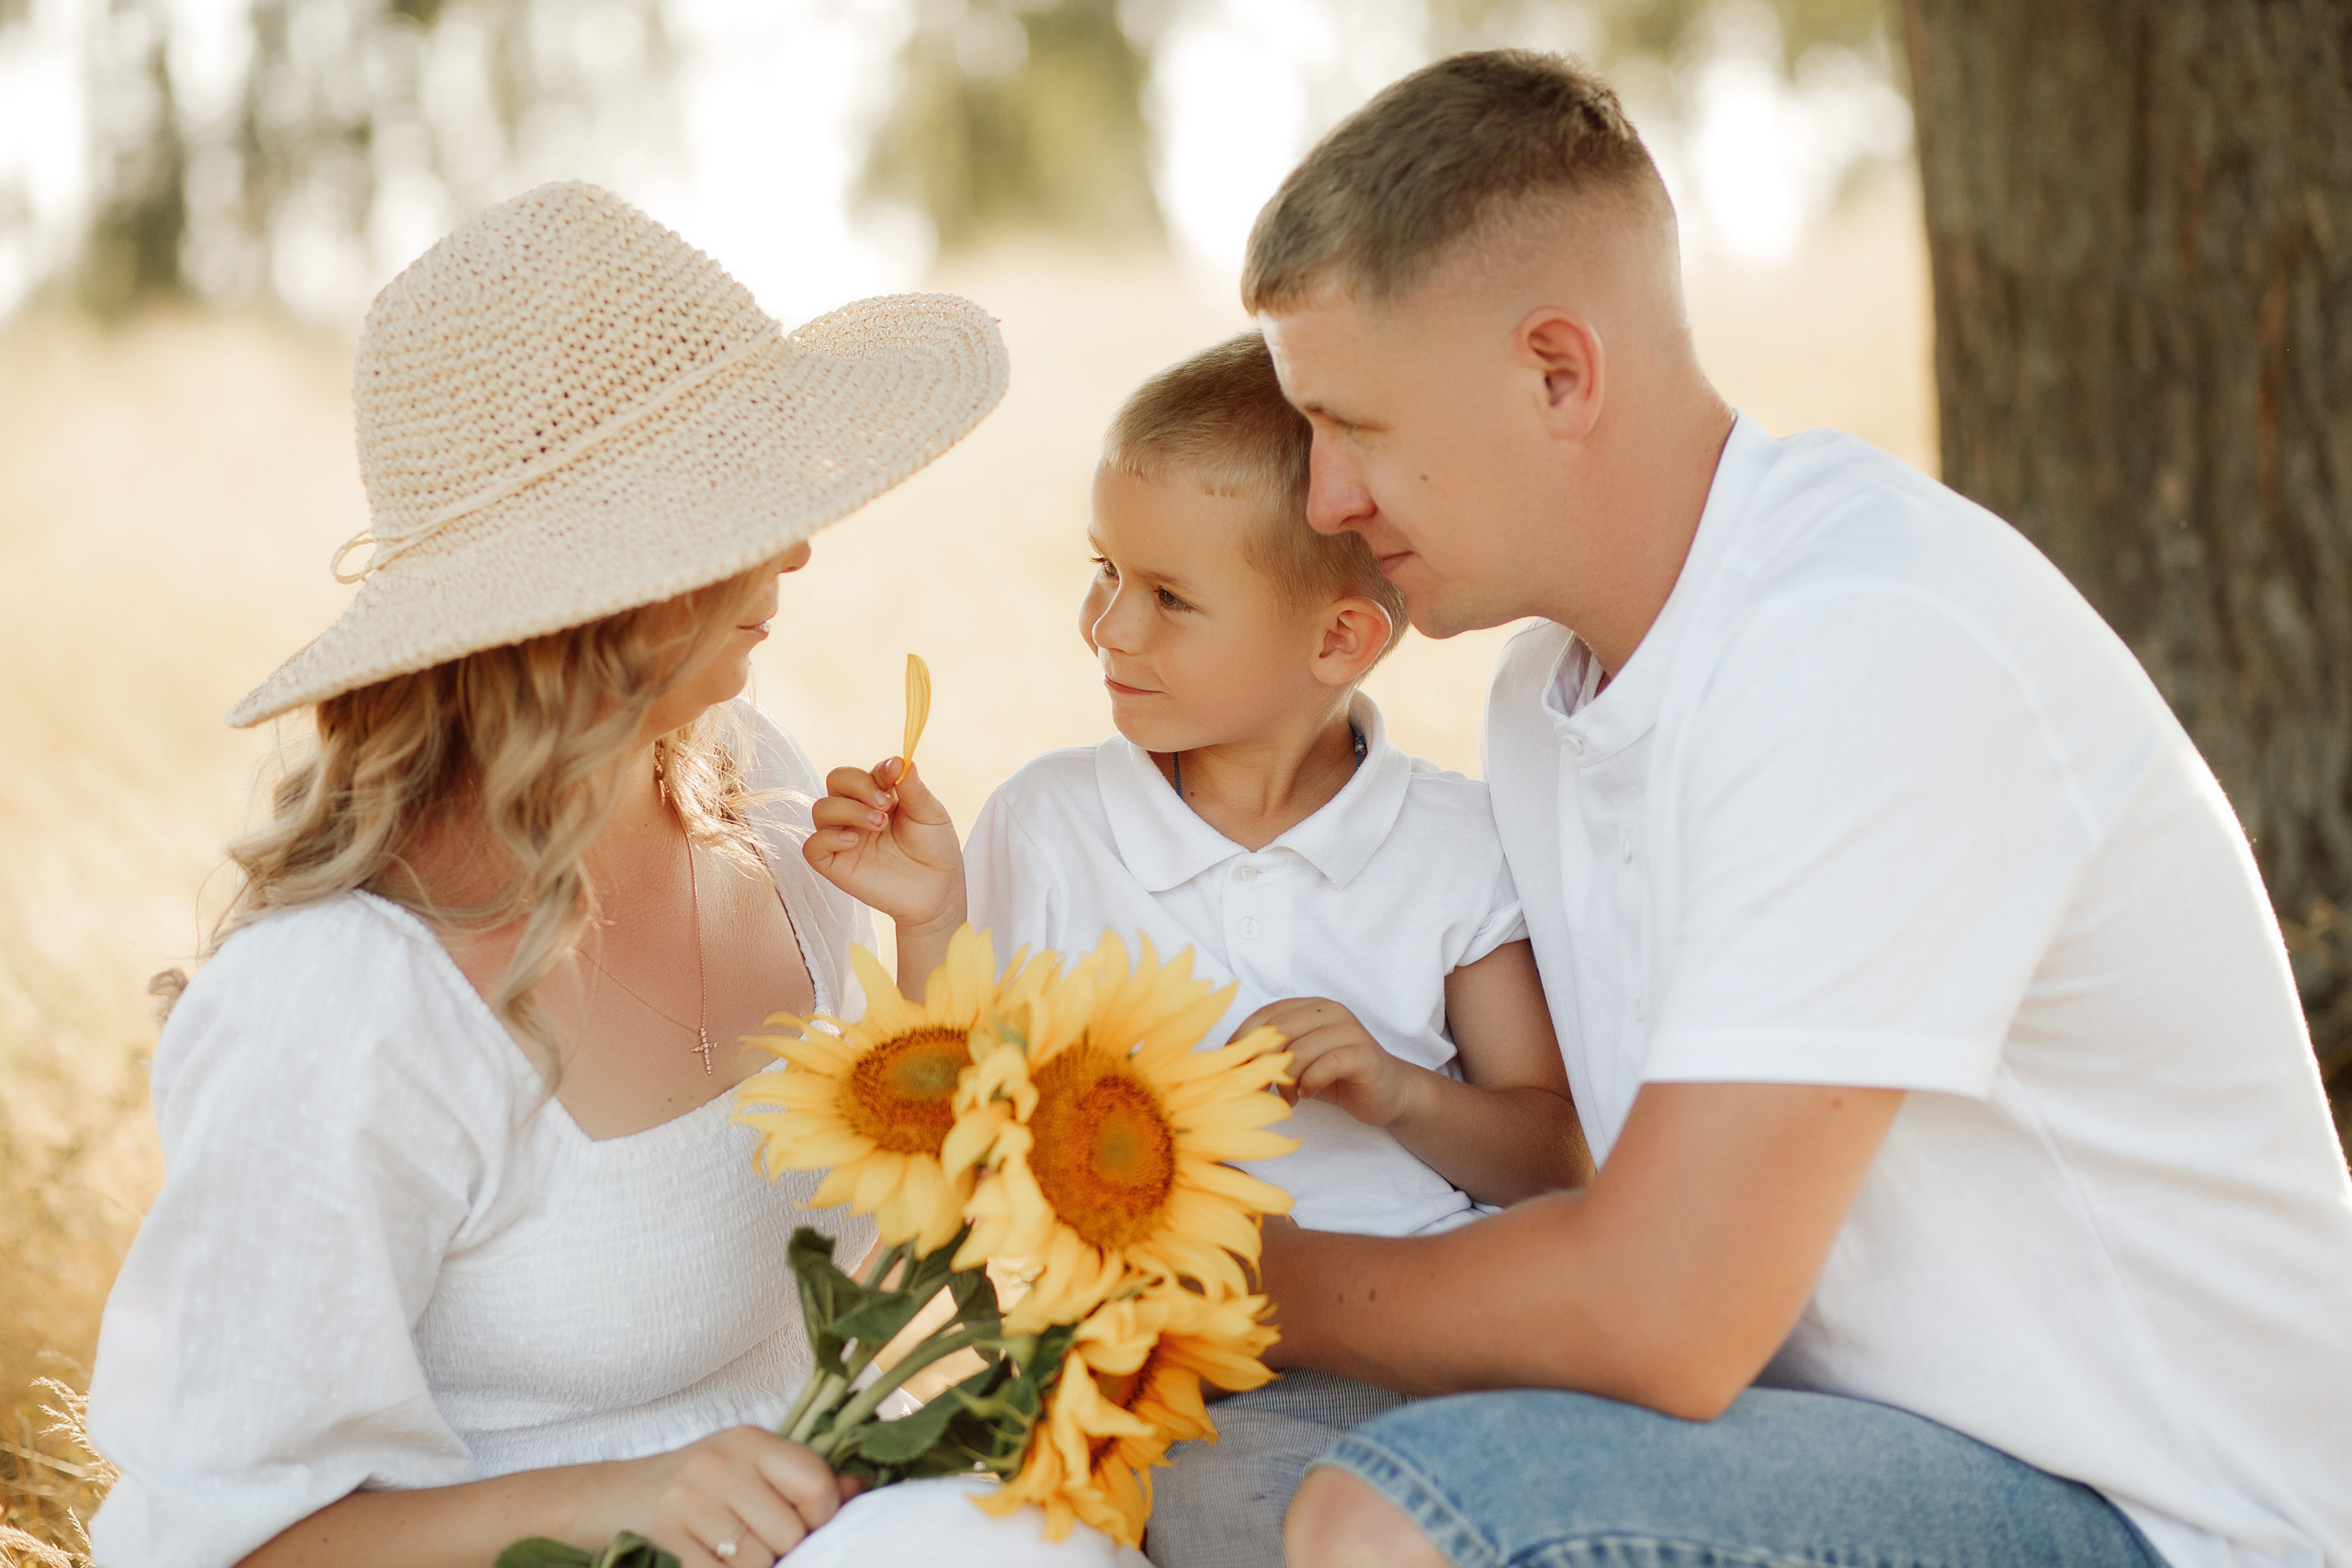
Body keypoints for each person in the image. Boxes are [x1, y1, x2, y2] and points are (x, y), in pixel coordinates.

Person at [1235, 50, 2352, 1568]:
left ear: (1558, 372)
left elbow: (1662, 1311)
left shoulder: (1864, 637)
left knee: (1409, 1521)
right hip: (1867, 1444)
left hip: (2174, 1511)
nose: (1324, 502)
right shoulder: (1544, 709)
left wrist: (1233, 1277)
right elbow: (1620, 1193)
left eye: (1349, 422)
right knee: (1219, 1477)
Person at [85, 182, 1144, 1568]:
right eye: (737, 505)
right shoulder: (342, 1005)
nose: (802, 543)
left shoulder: (758, 789)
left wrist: (930, 932)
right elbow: (221, 1544)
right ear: (590, 592)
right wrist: (606, 1500)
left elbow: (909, 1244)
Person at [797, 331, 1589, 1568]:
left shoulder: (1452, 842)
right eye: (1105, 571)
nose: (1107, 626)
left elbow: (1552, 1154)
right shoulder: (1053, 822)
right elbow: (969, 1137)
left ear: (1338, 644)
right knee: (1237, 1515)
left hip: (1456, 1340)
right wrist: (932, 916)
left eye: (1169, 598)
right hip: (1204, 1377)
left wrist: (1400, 1093)